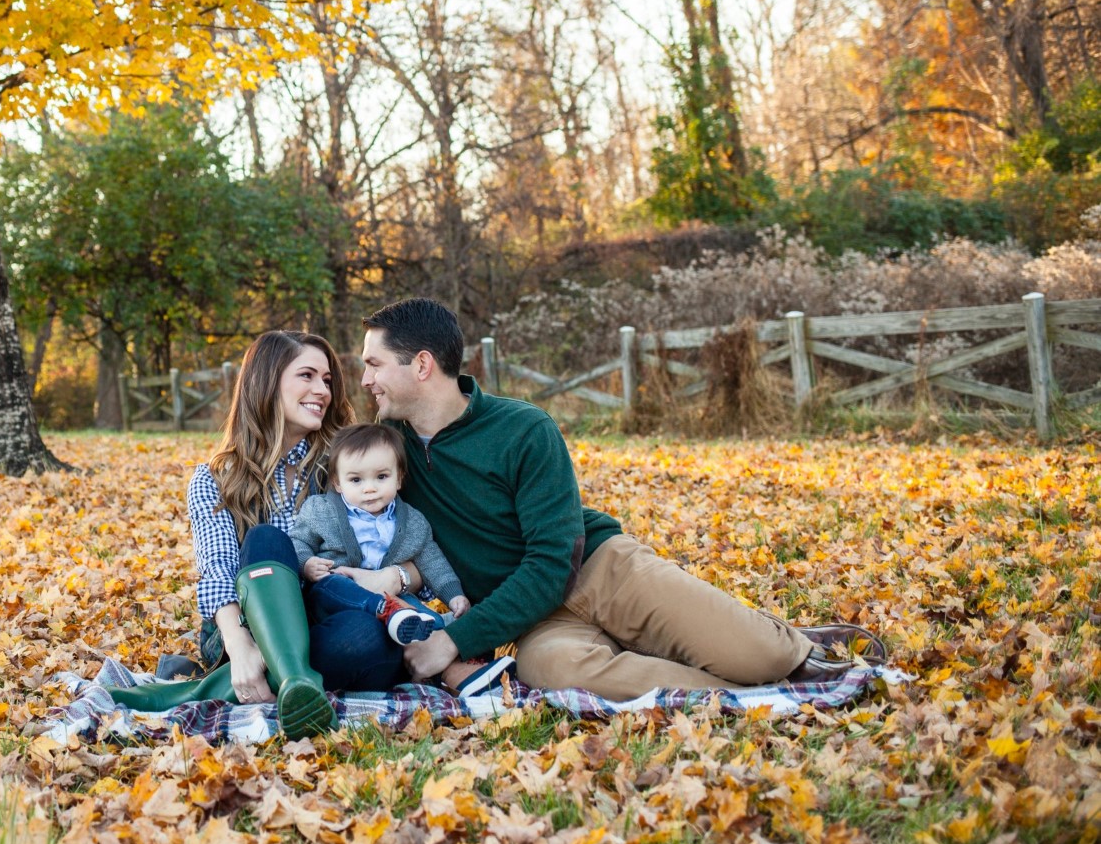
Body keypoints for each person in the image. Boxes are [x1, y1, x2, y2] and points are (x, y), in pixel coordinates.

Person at [359, 297, 887, 701]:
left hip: (600, 570)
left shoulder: (523, 429)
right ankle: (746, 693)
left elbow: (551, 560)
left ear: (422, 364)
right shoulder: (387, 455)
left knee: (761, 655)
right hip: (534, 622)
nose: (366, 380)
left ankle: (781, 647)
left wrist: (456, 640)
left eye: (375, 364)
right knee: (555, 673)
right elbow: (318, 448)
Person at [106, 330, 416, 736]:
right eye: (306, 376)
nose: (321, 390)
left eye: (326, 380)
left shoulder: (346, 466)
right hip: (248, 628)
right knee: (266, 540)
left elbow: (406, 535)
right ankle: (289, 677)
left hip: (329, 614)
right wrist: (239, 646)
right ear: (266, 382)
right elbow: (217, 569)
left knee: (366, 636)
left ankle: (225, 689)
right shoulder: (217, 477)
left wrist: (398, 577)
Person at [291, 422, 516, 696]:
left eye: (381, 477)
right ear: (338, 483)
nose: (370, 489)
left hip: (393, 600)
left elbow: (432, 561)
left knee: (424, 618)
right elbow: (298, 541)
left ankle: (454, 666)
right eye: (356, 480)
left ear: (399, 478)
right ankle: (396, 618)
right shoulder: (321, 511)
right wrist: (306, 563)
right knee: (333, 584)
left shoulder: (412, 522)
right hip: (336, 596)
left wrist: (454, 594)